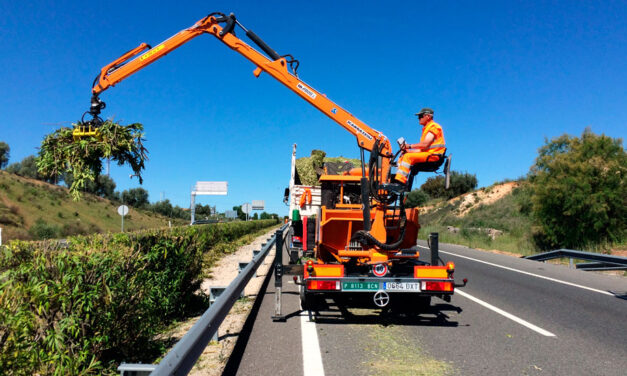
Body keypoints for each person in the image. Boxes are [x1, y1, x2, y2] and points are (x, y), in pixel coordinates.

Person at [394, 107, 446, 185]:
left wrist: (409, 146)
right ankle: (397, 179)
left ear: (428, 116)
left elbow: (424, 145)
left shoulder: (434, 127)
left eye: (420, 116)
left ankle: (400, 183)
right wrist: (408, 151)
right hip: (429, 154)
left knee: (408, 157)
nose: (419, 118)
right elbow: (421, 150)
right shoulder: (426, 129)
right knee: (404, 155)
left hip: (434, 156)